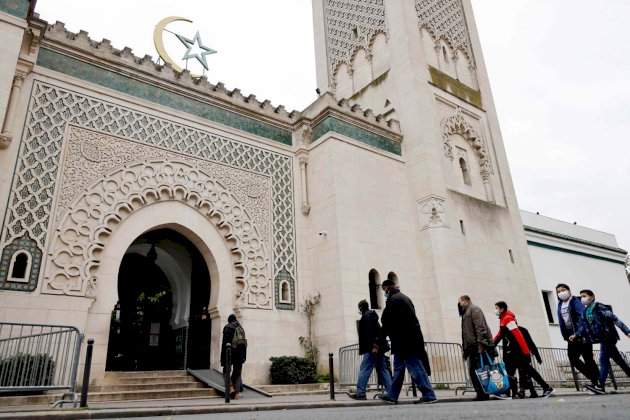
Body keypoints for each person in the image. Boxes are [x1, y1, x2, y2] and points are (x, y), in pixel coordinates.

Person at [378, 279, 437, 405]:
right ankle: (392, 396)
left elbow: (391, 322)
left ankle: (429, 394)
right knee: (399, 369)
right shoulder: (402, 298)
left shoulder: (396, 300)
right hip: (405, 340)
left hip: (405, 341)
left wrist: (380, 338)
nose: (384, 293)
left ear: (388, 288)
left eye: (384, 290)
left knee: (415, 367)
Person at [571, 289, 630, 394]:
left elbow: (614, 319)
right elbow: (583, 326)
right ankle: (600, 385)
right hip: (602, 339)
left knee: (603, 361)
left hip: (609, 337)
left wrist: (627, 331)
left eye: (585, 296)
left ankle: (600, 385)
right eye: (581, 297)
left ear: (592, 297)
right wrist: (576, 335)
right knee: (617, 361)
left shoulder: (599, 307)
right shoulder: (585, 312)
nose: (583, 299)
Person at [493, 301, 555, 399]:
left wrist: (525, 352)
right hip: (512, 352)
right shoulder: (503, 319)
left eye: (496, 308)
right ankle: (507, 393)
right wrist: (492, 344)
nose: (495, 310)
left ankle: (546, 388)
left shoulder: (508, 319)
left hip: (517, 351)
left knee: (528, 370)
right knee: (511, 371)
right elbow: (500, 334)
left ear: (502, 309)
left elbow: (518, 335)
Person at [555, 283, 600, 389]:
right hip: (571, 336)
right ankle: (596, 380)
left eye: (563, 290)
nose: (561, 292)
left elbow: (582, 317)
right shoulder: (560, 304)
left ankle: (597, 381)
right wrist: (567, 336)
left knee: (587, 359)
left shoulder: (575, 301)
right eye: (558, 291)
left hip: (581, 334)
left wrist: (578, 333)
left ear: (569, 290)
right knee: (574, 358)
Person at [349, 299, 393, 400]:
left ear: (360, 308)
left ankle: (360, 393)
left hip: (372, 349)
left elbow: (370, 334)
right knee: (383, 370)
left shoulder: (367, 316)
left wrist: (374, 346)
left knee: (365, 369)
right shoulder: (371, 315)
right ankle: (391, 392)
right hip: (378, 348)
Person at [458, 295, 496, 401]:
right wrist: (465, 352)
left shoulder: (474, 309)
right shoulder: (465, 313)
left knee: (484, 372)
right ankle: (481, 394)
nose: (459, 304)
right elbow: (465, 334)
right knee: (474, 373)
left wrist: (481, 345)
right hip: (472, 348)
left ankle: (485, 393)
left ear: (466, 301)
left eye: (460, 301)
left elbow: (481, 328)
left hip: (479, 347)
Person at [221, 314, 247, 400]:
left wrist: (224, 356)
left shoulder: (228, 327)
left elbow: (226, 342)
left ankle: (230, 389)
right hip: (240, 354)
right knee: (237, 372)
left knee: (226, 371)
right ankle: (236, 394)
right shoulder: (241, 328)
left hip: (230, 353)